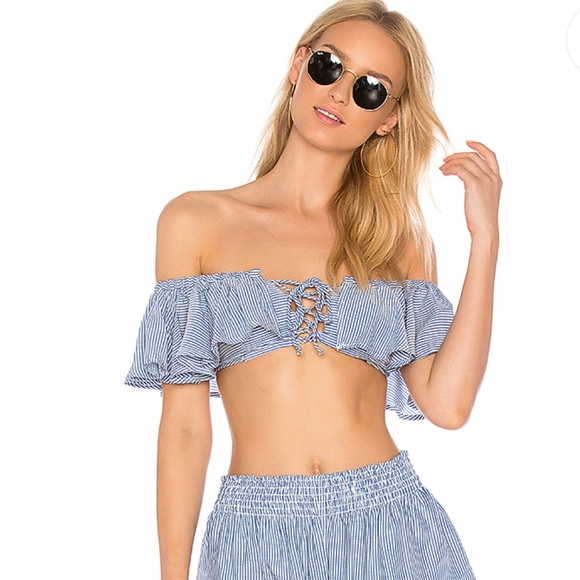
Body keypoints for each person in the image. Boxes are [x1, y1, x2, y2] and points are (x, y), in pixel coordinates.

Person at [125, 0, 501, 577]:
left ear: (389, 118)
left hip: (392, 528)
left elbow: (447, 406)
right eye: (330, 66)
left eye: (371, 89)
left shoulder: (397, 243)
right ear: (299, 64)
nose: (340, 93)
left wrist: (485, 239)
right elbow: (183, 427)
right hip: (256, 535)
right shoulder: (196, 223)